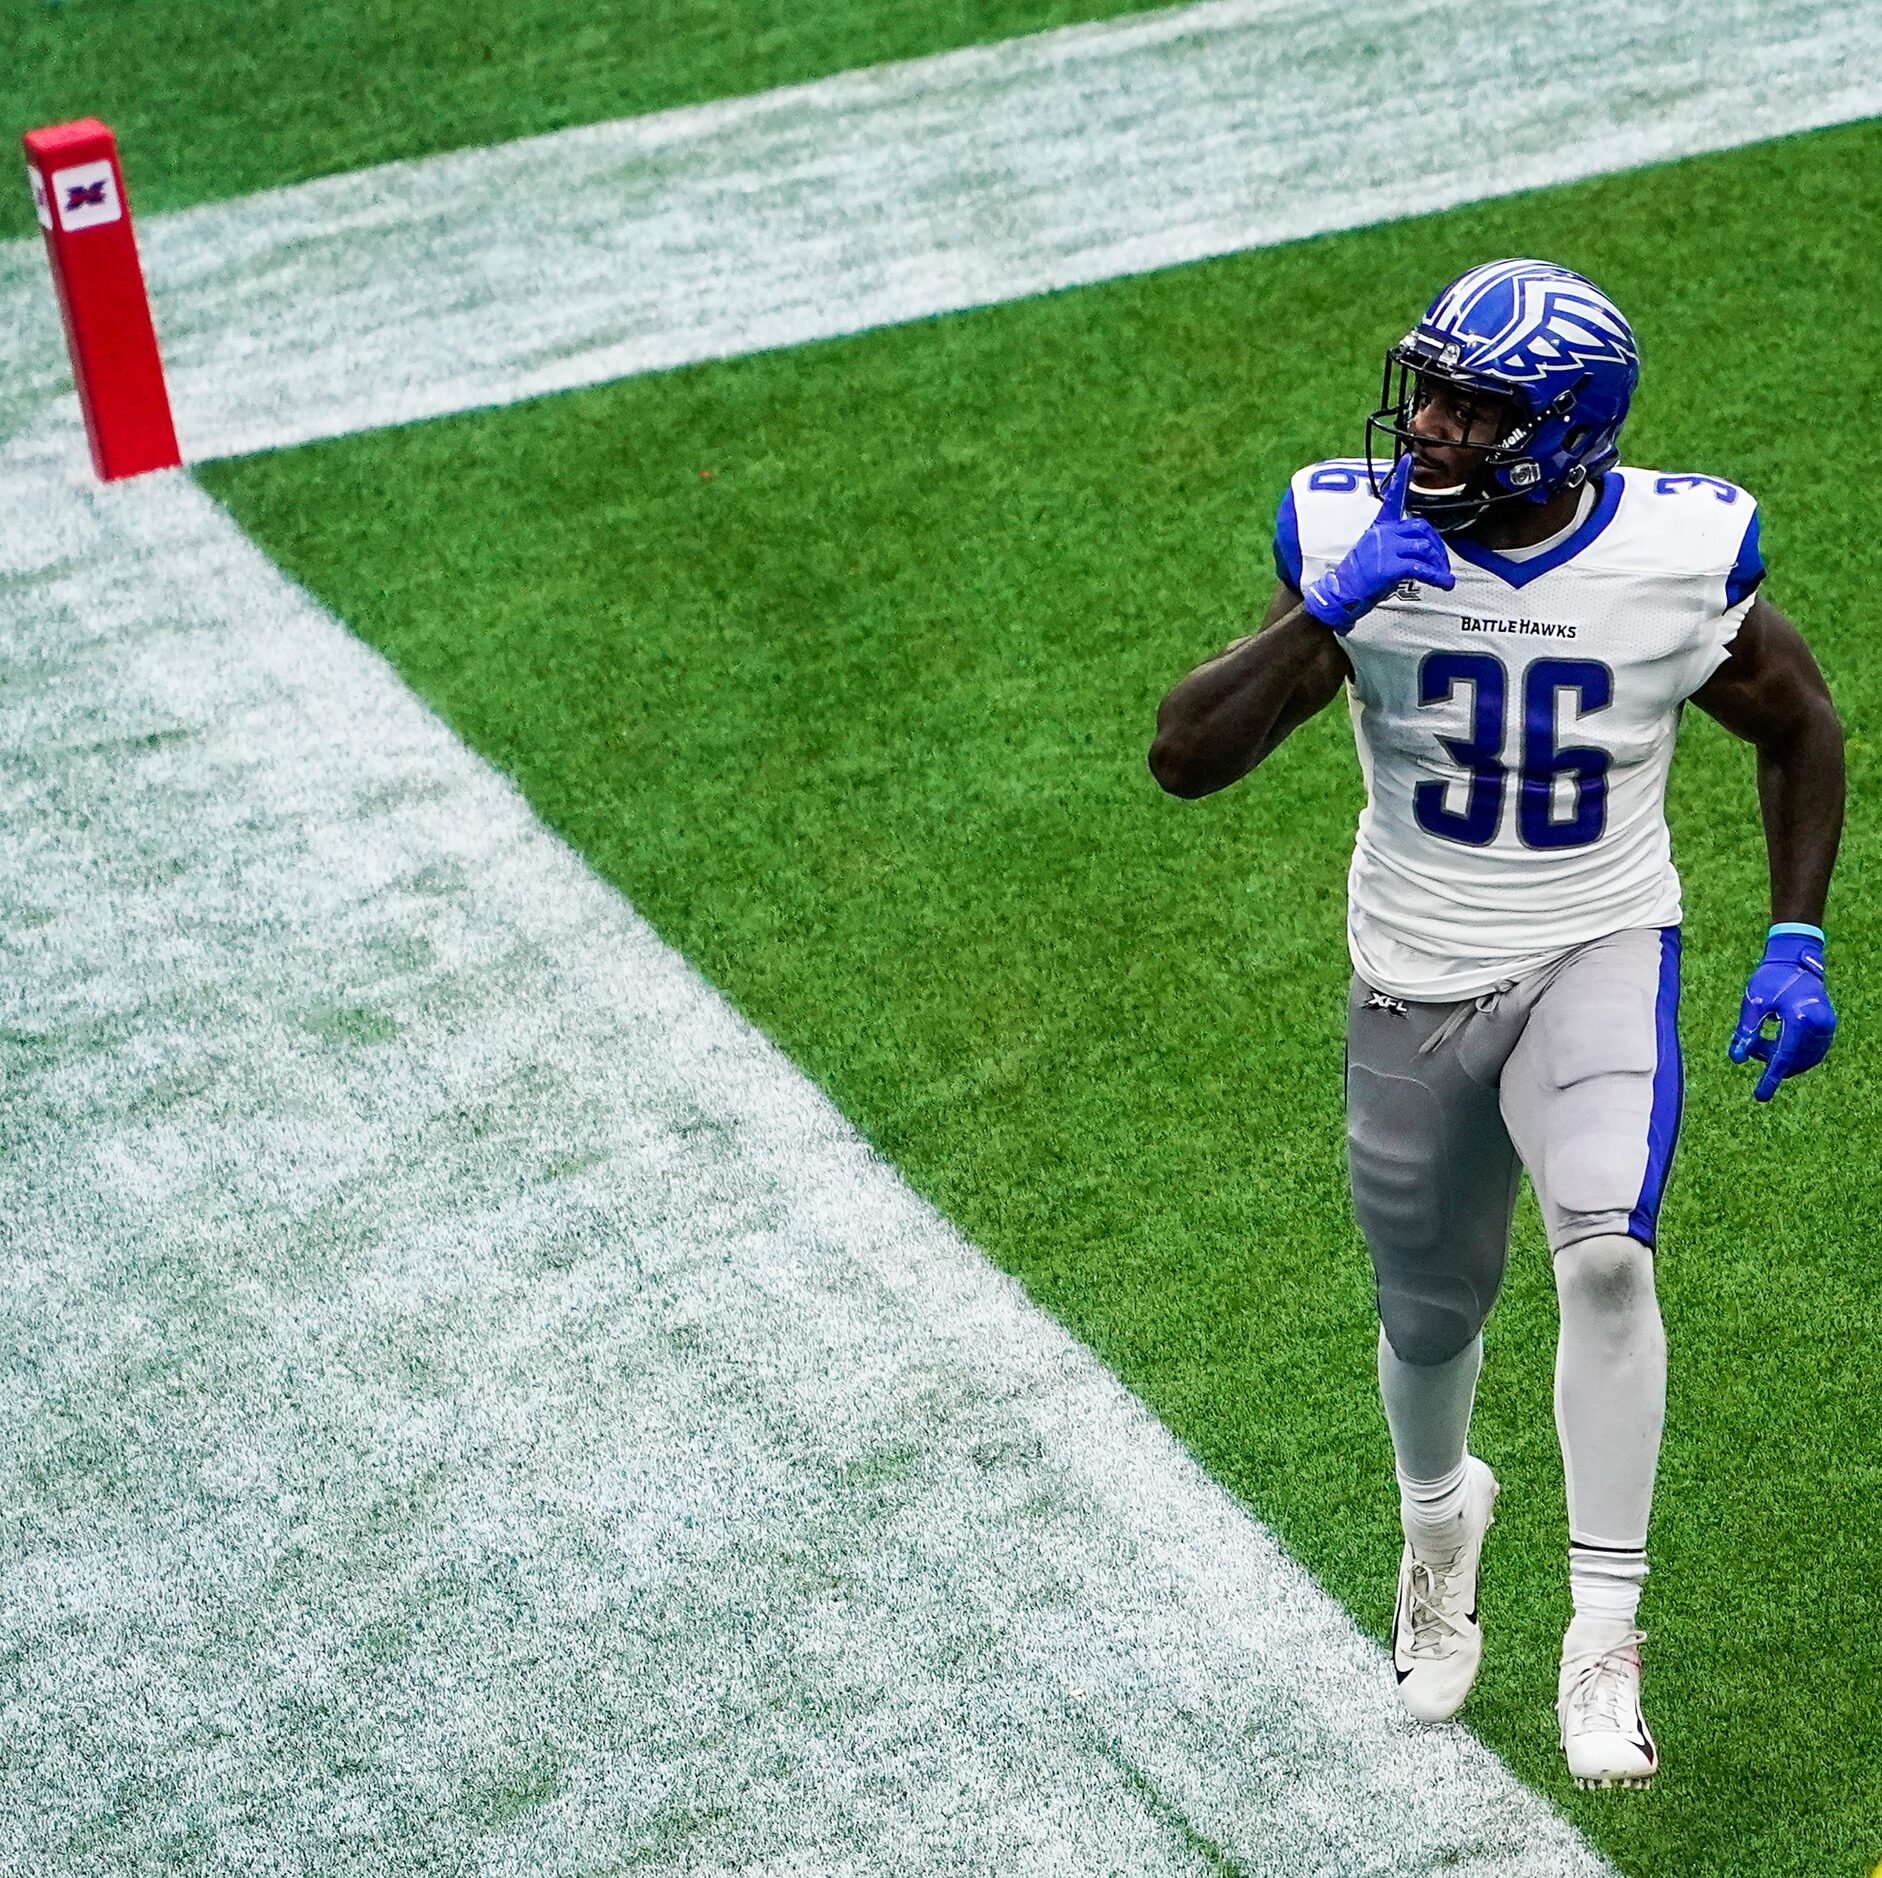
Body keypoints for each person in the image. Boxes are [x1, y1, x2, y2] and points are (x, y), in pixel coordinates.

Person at [1147, 259, 1843, 1788]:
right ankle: (1435, 1519)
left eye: (1476, 407)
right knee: (1428, 1314)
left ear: (1564, 432)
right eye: (1432, 391)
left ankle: (1603, 1635)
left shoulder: (1671, 555)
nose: (1434, 429)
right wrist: (1334, 607)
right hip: (1410, 957)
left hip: (1598, 941)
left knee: (1603, 1259)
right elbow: (1184, 757)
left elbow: (1796, 720)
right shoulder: (1351, 530)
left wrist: (1790, 931)